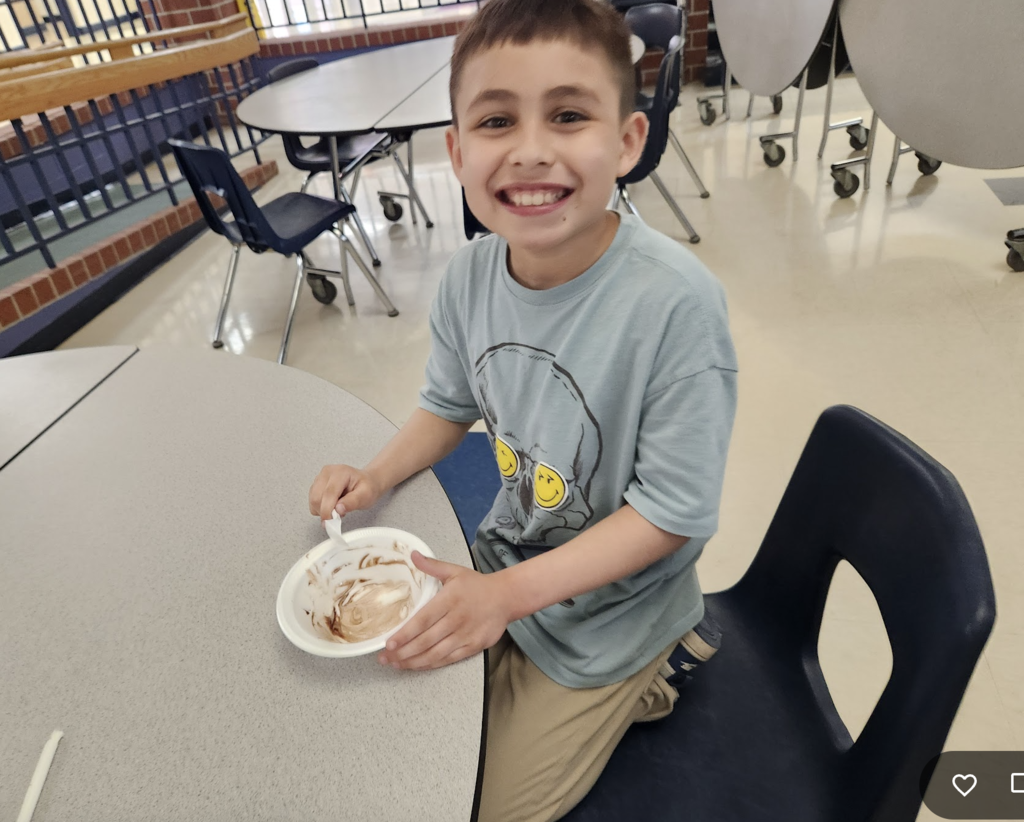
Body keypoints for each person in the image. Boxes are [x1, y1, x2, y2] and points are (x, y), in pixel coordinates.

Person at [308, 0, 738, 819]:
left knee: (482, 805)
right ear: (459, 152)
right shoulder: (470, 279)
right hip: (507, 558)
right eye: (498, 120)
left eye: (569, 115)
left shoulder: (677, 307)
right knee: (387, 738)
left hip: (618, 615)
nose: (532, 150)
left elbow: (672, 513)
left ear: (627, 143)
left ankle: (661, 668)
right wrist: (374, 475)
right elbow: (447, 405)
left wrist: (503, 602)